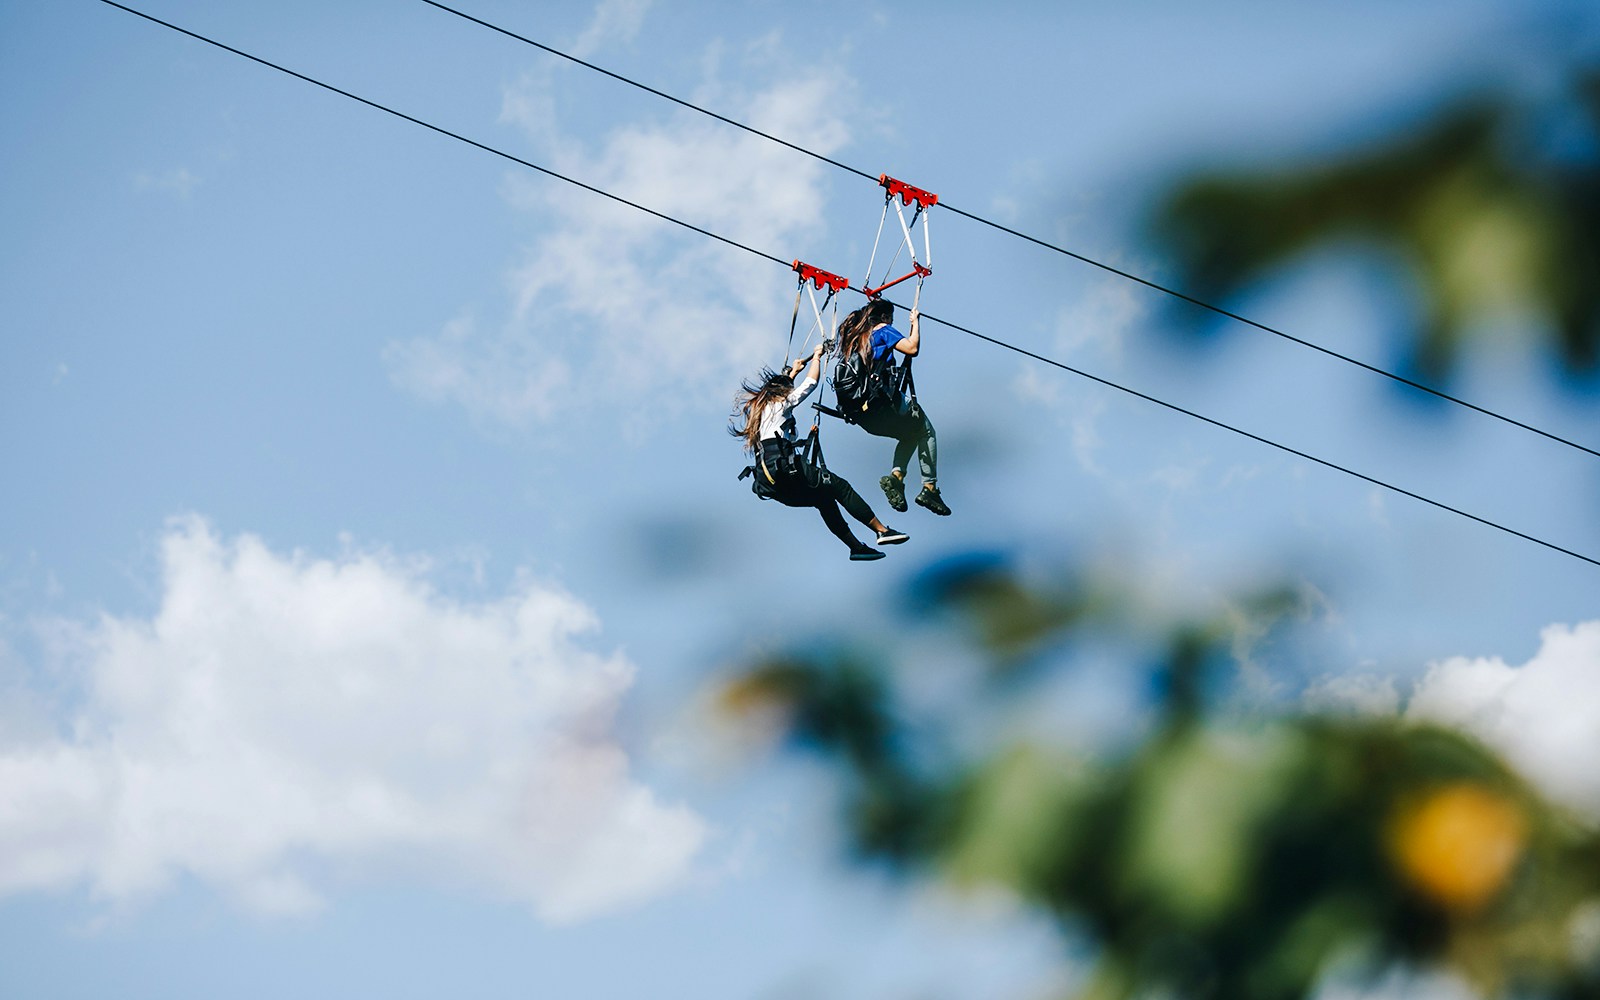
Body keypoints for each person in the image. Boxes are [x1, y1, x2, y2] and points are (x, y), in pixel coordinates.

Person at [732, 343, 910, 561]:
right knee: (841, 488)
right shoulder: (780, 405)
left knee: (824, 500)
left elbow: (784, 391)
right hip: (787, 471)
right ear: (781, 393)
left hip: (773, 484)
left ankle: (856, 547)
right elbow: (811, 384)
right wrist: (817, 357)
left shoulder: (762, 413)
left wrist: (793, 372)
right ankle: (882, 530)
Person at [835, 298, 950, 516]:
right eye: (890, 318)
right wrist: (915, 323)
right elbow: (912, 348)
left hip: (864, 416)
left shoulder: (855, 340)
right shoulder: (882, 330)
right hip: (883, 405)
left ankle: (897, 478)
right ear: (885, 317)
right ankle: (930, 488)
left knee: (910, 434)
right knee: (926, 430)